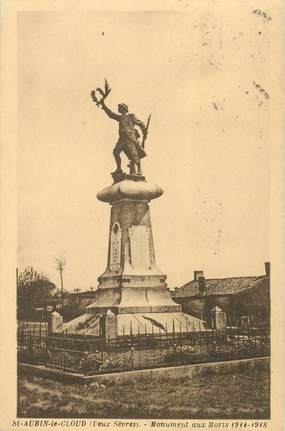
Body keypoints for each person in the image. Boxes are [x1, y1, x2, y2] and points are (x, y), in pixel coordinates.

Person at [100, 100, 147, 175]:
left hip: (130, 138)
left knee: (134, 154)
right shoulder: (120, 117)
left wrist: (144, 131)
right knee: (116, 152)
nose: (118, 109)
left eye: (119, 107)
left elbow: (140, 123)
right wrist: (103, 105)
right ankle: (119, 169)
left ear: (123, 108)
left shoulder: (131, 115)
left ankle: (139, 170)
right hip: (122, 138)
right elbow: (111, 114)